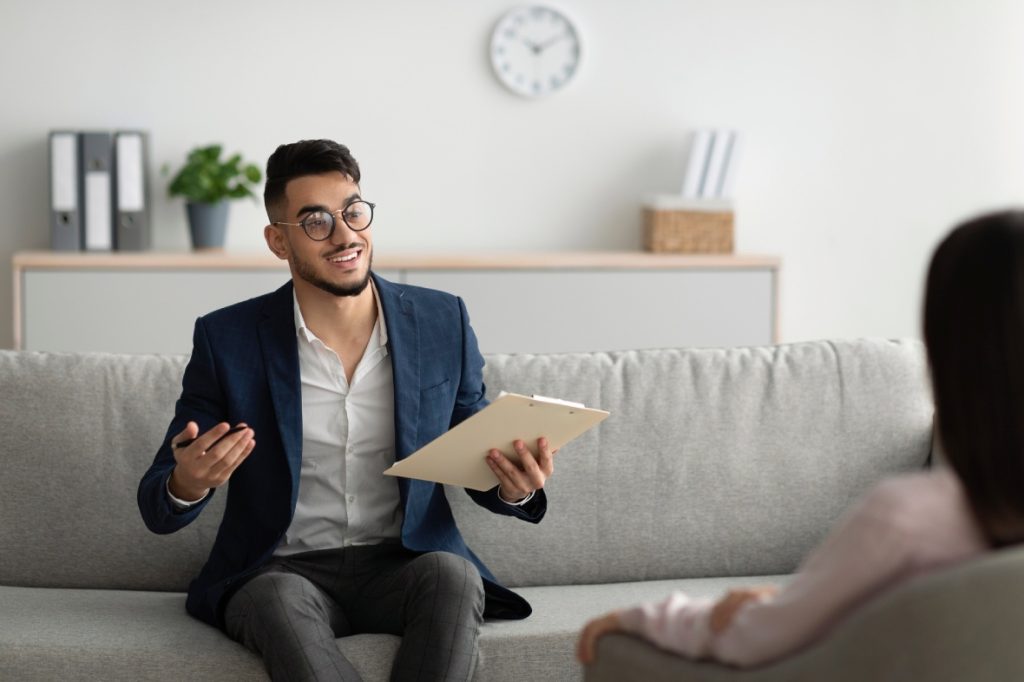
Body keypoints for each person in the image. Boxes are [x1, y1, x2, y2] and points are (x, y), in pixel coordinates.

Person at [138, 139, 556, 682]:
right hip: (282, 571)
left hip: (405, 565)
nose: (345, 236)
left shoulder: (440, 320)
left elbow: (472, 452)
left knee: (453, 577)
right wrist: (188, 483)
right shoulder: (228, 339)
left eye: (353, 212)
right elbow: (158, 499)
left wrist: (514, 485)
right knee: (275, 598)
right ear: (277, 241)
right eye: (315, 221)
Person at [578, 209, 1024, 669]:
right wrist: (788, 601)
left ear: (949, 340)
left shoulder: (905, 519)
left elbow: (750, 641)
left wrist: (644, 620)